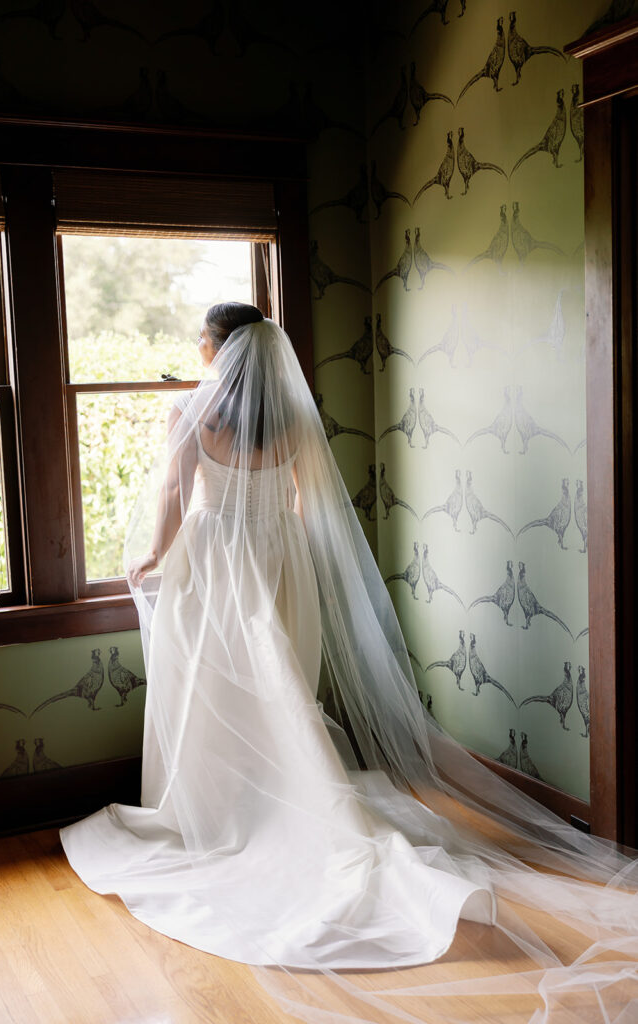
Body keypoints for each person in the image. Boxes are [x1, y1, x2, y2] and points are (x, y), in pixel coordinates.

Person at [60, 303, 638, 1024]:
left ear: (215, 348)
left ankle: (214, 809)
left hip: (213, 559)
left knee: (208, 686)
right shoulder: (292, 418)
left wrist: (152, 554)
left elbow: (177, 494)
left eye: (201, 341)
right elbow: (309, 503)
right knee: (281, 689)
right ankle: (274, 797)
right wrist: (279, 541)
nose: (198, 350)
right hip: (279, 556)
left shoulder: (191, 412)